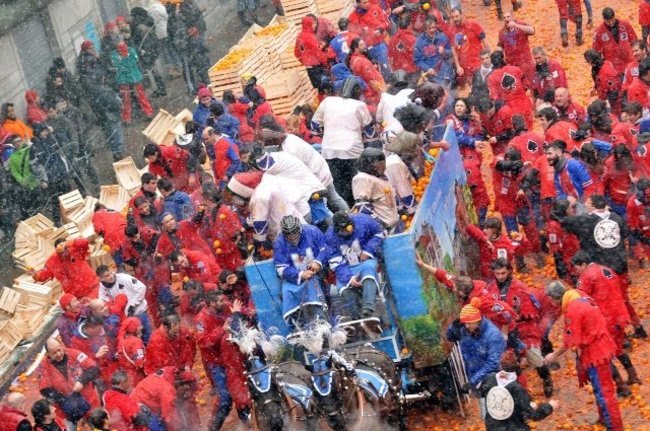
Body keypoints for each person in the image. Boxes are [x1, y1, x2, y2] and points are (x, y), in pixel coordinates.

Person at [560, 194, 646, 338]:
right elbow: (625, 233)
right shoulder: (616, 217)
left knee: (605, 304)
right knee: (623, 300)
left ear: (593, 205)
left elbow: (564, 222)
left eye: (587, 202)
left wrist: (564, 208)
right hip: (620, 267)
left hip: (602, 271)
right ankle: (637, 328)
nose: (585, 204)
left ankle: (620, 336)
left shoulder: (586, 220)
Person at [543, 281, 624, 431]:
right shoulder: (579, 295)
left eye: (552, 300)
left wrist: (553, 355)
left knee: (605, 393)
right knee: (599, 389)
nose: (553, 304)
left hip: (596, 352)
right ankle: (604, 419)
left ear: (556, 298)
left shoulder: (573, 309)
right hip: (600, 344)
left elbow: (570, 341)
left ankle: (615, 427)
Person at [572, 251, 641, 393]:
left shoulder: (586, 277)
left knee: (604, 355)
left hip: (605, 319)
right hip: (619, 315)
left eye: (576, 267)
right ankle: (633, 376)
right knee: (619, 348)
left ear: (583, 264)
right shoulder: (607, 270)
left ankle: (621, 386)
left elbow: (581, 299)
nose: (575, 271)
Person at [488, 258, 553, 396]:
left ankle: (546, 378)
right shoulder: (490, 289)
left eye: (503, 273)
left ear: (510, 271)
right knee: (508, 363)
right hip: (502, 332)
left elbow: (529, 314)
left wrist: (515, 325)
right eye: (497, 273)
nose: (500, 276)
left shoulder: (520, 288)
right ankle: (518, 393)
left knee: (535, 358)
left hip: (523, 329)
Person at [258, 118, 349, 212]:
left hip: (315, 174)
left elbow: (294, 170)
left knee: (323, 207)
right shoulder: (288, 138)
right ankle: (350, 217)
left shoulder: (288, 149)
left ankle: (347, 219)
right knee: (333, 197)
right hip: (318, 168)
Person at [311, 77, 374, 206]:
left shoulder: (327, 102)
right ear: (357, 92)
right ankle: (361, 209)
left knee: (339, 187)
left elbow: (314, 125)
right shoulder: (359, 106)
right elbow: (370, 133)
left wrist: (329, 132)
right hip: (352, 152)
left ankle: (346, 212)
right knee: (357, 185)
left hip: (329, 151)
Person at [193, 293, 251, 430]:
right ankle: (213, 427)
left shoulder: (224, 308)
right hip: (216, 363)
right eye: (220, 301)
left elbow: (238, 311)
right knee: (225, 398)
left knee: (241, 391)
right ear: (211, 303)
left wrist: (248, 312)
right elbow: (202, 342)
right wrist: (221, 331)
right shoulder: (201, 319)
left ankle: (248, 422)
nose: (224, 303)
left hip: (232, 359)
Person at [324, 211, 385, 319]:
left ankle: (368, 307)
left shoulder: (363, 220)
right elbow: (335, 262)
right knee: (343, 287)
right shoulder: (330, 237)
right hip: (346, 266)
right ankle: (357, 318)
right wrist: (349, 278)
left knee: (369, 270)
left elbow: (380, 232)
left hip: (366, 260)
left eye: (348, 228)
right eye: (342, 231)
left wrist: (368, 250)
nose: (347, 232)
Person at [479, 351, 558, 431]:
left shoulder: (489, 379)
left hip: (493, 427)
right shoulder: (516, 388)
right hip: (513, 427)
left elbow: (481, 394)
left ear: (500, 366)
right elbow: (534, 415)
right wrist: (549, 406)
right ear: (517, 365)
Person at [273, 215, 327, 327]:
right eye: (289, 236)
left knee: (312, 284)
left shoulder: (312, 231)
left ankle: (320, 320)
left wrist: (318, 262)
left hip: (316, 272)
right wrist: (300, 274)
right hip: (294, 278)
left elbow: (325, 249)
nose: (293, 238)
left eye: (295, 234)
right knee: (287, 292)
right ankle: (297, 325)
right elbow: (281, 269)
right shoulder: (279, 242)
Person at [38, 338, 101, 428]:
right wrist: (65, 400)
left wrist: (81, 381)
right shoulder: (44, 366)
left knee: (98, 426)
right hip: (68, 410)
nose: (58, 354)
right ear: (48, 354)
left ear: (62, 346)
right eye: (54, 353)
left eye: (59, 350)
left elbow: (93, 368)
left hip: (90, 402)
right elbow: (45, 389)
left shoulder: (74, 354)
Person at [445, 302, 506, 392]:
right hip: (475, 377)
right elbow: (450, 338)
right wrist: (453, 327)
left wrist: (473, 381)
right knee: (482, 403)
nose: (467, 326)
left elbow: (493, 363)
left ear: (478, 320)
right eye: (465, 323)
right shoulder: (465, 330)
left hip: (493, 379)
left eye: (469, 323)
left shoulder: (492, 335)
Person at [96, 265, 151, 343]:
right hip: (127, 318)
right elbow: (102, 300)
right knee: (135, 342)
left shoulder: (123, 278)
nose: (111, 276)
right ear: (101, 279)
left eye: (111, 273)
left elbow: (142, 288)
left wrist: (133, 305)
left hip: (139, 312)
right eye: (107, 276)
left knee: (147, 338)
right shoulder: (103, 287)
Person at [31, 238, 99, 300]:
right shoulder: (53, 261)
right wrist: (35, 274)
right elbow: (43, 275)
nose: (64, 252)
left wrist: (67, 243)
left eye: (66, 248)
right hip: (77, 297)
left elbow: (84, 242)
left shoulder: (75, 250)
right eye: (61, 252)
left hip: (93, 287)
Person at [131, 367, 191, 431]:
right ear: (179, 385)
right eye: (184, 390)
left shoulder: (166, 374)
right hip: (139, 408)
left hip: (137, 401)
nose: (184, 393)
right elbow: (169, 416)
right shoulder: (167, 390)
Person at [352, 147, 399, 229]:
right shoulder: (362, 178)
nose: (382, 167)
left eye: (382, 163)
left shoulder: (378, 177)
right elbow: (362, 206)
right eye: (378, 164)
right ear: (368, 164)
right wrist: (379, 225)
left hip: (393, 224)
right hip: (383, 228)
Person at [487, 50, 533, 129]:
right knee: (528, 132)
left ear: (492, 63)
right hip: (524, 105)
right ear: (503, 58)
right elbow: (526, 85)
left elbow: (495, 98)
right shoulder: (515, 69)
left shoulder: (492, 78)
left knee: (516, 135)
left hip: (510, 110)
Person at [111, 41, 154, 124]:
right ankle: (128, 118)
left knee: (139, 96)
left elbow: (132, 61)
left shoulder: (130, 51)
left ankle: (147, 113)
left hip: (132, 77)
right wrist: (126, 60)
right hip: (126, 78)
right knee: (127, 98)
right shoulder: (117, 54)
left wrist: (123, 61)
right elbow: (118, 64)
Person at [348, 0, 390, 81]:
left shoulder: (375, 8)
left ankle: (391, 84)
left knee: (385, 67)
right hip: (364, 49)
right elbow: (352, 34)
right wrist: (362, 31)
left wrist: (380, 29)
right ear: (358, 4)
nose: (367, 4)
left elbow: (386, 21)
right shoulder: (353, 16)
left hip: (379, 44)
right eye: (364, 3)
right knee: (372, 73)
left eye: (367, 1)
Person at [449, 8, 489, 87]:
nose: (455, 19)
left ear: (461, 15)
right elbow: (453, 49)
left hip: (478, 62)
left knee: (484, 86)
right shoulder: (451, 30)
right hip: (465, 66)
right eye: (452, 17)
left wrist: (488, 59)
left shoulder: (473, 25)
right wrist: (457, 66)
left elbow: (485, 42)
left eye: (456, 16)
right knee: (473, 88)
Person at [592, 7, 637, 76]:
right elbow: (596, 51)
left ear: (614, 16)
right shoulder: (599, 32)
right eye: (608, 21)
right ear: (604, 19)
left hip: (629, 60)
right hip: (613, 64)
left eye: (612, 20)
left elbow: (634, 40)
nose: (611, 23)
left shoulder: (625, 24)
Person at [413, 17, 457, 88]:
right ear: (425, 29)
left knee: (448, 95)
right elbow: (417, 60)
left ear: (436, 26)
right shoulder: (419, 41)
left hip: (444, 74)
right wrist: (427, 68)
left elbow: (452, 54)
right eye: (429, 28)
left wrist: (444, 52)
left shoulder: (443, 37)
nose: (432, 30)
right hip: (429, 76)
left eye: (433, 27)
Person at [497, 12, 535, 86]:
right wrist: (499, 58)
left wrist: (517, 26)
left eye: (508, 17)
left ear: (512, 17)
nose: (506, 19)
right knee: (518, 88)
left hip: (526, 62)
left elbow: (532, 31)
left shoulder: (521, 24)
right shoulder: (502, 32)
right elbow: (500, 46)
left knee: (532, 86)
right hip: (513, 66)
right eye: (504, 17)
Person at [295, 15, 330, 94]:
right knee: (327, 86)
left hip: (310, 69)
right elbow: (318, 53)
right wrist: (326, 63)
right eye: (313, 23)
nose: (314, 25)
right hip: (318, 67)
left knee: (320, 89)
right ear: (308, 25)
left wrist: (305, 62)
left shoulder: (299, 37)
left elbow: (296, 53)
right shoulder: (310, 37)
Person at [346, 37, 386, 106]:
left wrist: (372, 68)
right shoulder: (362, 62)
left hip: (366, 96)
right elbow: (371, 81)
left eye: (364, 44)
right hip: (374, 96)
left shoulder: (353, 60)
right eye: (361, 45)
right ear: (356, 48)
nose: (364, 46)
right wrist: (383, 92)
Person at [583, 49, 622, 114]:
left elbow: (614, 91)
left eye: (587, 61)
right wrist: (595, 88)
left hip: (614, 103)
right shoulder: (599, 67)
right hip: (605, 98)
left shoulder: (606, 72)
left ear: (590, 61)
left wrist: (605, 104)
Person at [116, 317, 146, 387]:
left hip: (127, 378)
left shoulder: (123, 341)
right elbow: (140, 363)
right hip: (137, 378)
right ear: (134, 329)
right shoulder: (136, 342)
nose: (141, 327)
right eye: (139, 326)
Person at [627, 177, 650, 268]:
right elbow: (633, 226)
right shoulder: (632, 203)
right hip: (639, 228)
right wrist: (642, 236)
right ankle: (641, 259)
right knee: (633, 236)